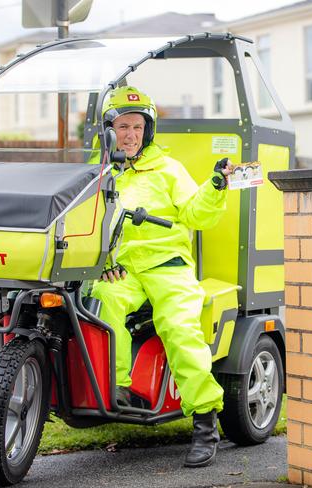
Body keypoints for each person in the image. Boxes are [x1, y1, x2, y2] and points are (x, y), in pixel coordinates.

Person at [91, 86, 232, 468]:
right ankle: (120, 392)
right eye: (122, 126)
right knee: (101, 304)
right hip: (123, 267)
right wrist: (100, 262)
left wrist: (216, 186)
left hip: (168, 266)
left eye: (138, 126)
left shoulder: (168, 169)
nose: (131, 134)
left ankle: (205, 421)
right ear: (108, 130)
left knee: (179, 327)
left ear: (148, 131)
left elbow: (195, 215)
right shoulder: (98, 173)